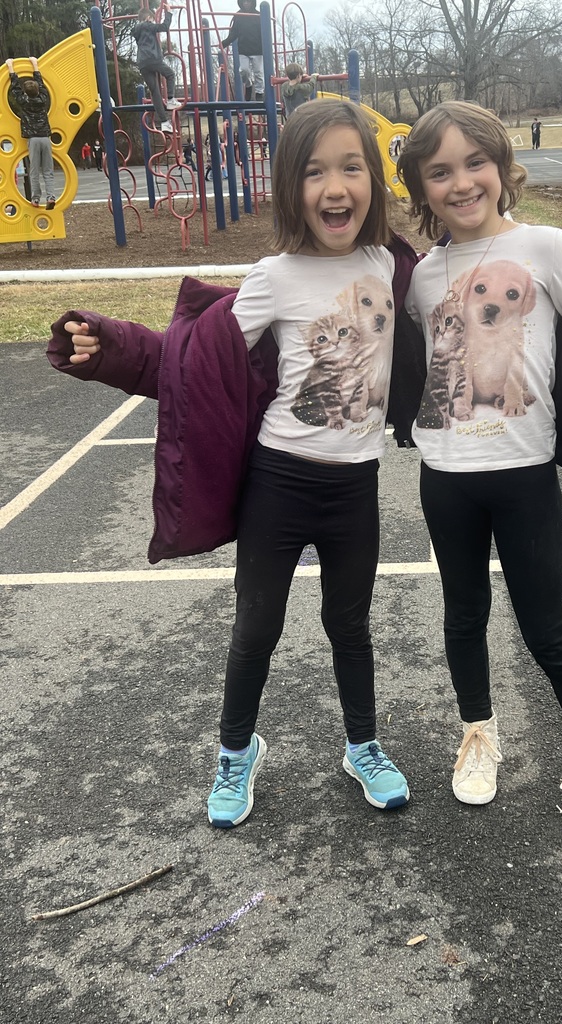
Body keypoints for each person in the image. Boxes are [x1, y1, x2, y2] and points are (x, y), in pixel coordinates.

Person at [48, 100, 417, 829]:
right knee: (257, 629)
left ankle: (362, 745)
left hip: (355, 490)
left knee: (351, 626)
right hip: (278, 485)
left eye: (350, 167)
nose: (334, 187)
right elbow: (188, 360)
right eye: (314, 172)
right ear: (290, 187)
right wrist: (114, 345)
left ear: (373, 178)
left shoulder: (392, 265)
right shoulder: (275, 278)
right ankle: (236, 751)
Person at [396, 101, 562, 835]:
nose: (461, 182)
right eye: (440, 171)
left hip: (524, 475)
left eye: (474, 163)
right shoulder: (421, 278)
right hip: (444, 476)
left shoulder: (546, 247)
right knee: (463, 618)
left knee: (547, 628)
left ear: (500, 166)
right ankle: (478, 734)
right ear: (421, 186)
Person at [5, 56, 56, 209]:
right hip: (45, 138)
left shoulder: (23, 101)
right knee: (48, 170)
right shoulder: (43, 99)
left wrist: (10, 66)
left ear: (25, 92)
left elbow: (14, 87)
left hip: (33, 139)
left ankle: (35, 199)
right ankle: (51, 197)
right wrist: (35, 64)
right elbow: (42, 84)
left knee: (34, 170)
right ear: (37, 90)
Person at [132, 6, 181, 134]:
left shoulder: (136, 30)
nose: (153, 21)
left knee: (155, 92)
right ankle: (170, 99)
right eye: (152, 19)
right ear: (148, 18)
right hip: (153, 58)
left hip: (142, 63)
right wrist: (169, 12)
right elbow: (164, 27)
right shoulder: (148, 25)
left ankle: (165, 122)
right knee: (170, 74)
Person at [221, 0, 264, 101]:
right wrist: (224, 43)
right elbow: (234, 32)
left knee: (258, 72)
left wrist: (266, 47)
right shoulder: (239, 15)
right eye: (244, 2)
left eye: (248, 1)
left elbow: (264, 32)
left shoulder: (258, 15)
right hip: (243, 49)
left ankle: (259, 92)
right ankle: (248, 85)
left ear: (252, 2)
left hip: (257, 49)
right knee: (244, 70)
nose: (246, 4)